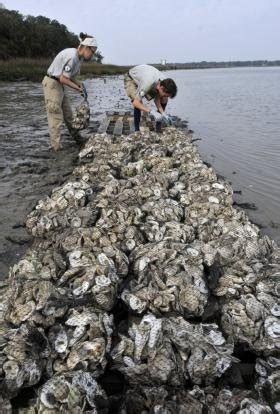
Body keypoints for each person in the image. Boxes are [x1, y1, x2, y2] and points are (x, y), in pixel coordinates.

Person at [42, 33, 97, 151]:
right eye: (92, 52)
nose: (92, 55)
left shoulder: (78, 58)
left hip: (59, 85)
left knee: (69, 116)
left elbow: (70, 77)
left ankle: (79, 140)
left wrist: (80, 84)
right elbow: (63, 78)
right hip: (52, 84)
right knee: (56, 116)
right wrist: (77, 89)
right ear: (86, 47)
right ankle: (56, 148)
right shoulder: (72, 56)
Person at [124, 64, 177, 132]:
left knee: (164, 99)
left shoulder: (164, 82)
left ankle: (158, 125)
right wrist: (152, 112)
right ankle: (136, 130)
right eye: (166, 95)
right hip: (131, 78)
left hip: (146, 79)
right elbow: (135, 103)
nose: (166, 97)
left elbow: (157, 98)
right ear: (161, 88)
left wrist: (163, 113)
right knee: (139, 102)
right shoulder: (147, 83)